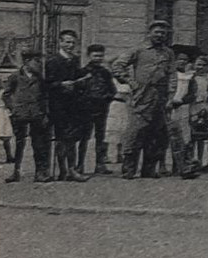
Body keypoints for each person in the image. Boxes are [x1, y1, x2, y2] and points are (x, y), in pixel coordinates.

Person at [112, 20, 181, 180]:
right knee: (135, 134)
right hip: (141, 97)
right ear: (149, 33)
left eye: (163, 33)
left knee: (156, 135)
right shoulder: (138, 50)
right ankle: (129, 170)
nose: (160, 35)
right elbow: (117, 65)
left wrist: (171, 97)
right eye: (157, 32)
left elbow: (172, 76)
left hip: (160, 98)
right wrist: (130, 81)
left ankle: (148, 170)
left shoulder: (168, 53)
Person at [44, 30, 89, 182]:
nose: (70, 45)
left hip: (73, 105)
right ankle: (63, 169)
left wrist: (80, 81)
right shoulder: (53, 61)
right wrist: (61, 84)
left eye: (73, 43)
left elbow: (76, 79)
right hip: (58, 106)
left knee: (72, 138)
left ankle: (71, 169)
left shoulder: (75, 60)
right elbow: (47, 84)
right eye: (67, 42)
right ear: (60, 42)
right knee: (61, 139)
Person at [3, 51, 50, 183]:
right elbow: (6, 94)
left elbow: (45, 97)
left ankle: (39, 173)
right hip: (20, 115)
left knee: (38, 144)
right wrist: (13, 109)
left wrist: (44, 113)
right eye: (36, 61)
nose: (39, 64)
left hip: (36, 115)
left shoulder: (40, 78)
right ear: (26, 62)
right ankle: (16, 172)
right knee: (19, 144)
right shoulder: (15, 77)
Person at [78, 44, 119, 175]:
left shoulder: (105, 73)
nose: (98, 58)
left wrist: (106, 97)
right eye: (95, 55)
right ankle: (80, 165)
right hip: (86, 109)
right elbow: (78, 90)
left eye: (100, 56)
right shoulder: (82, 72)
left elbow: (113, 90)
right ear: (89, 56)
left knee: (101, 137)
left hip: (102, 109)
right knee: (84, 138)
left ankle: (100, 165)